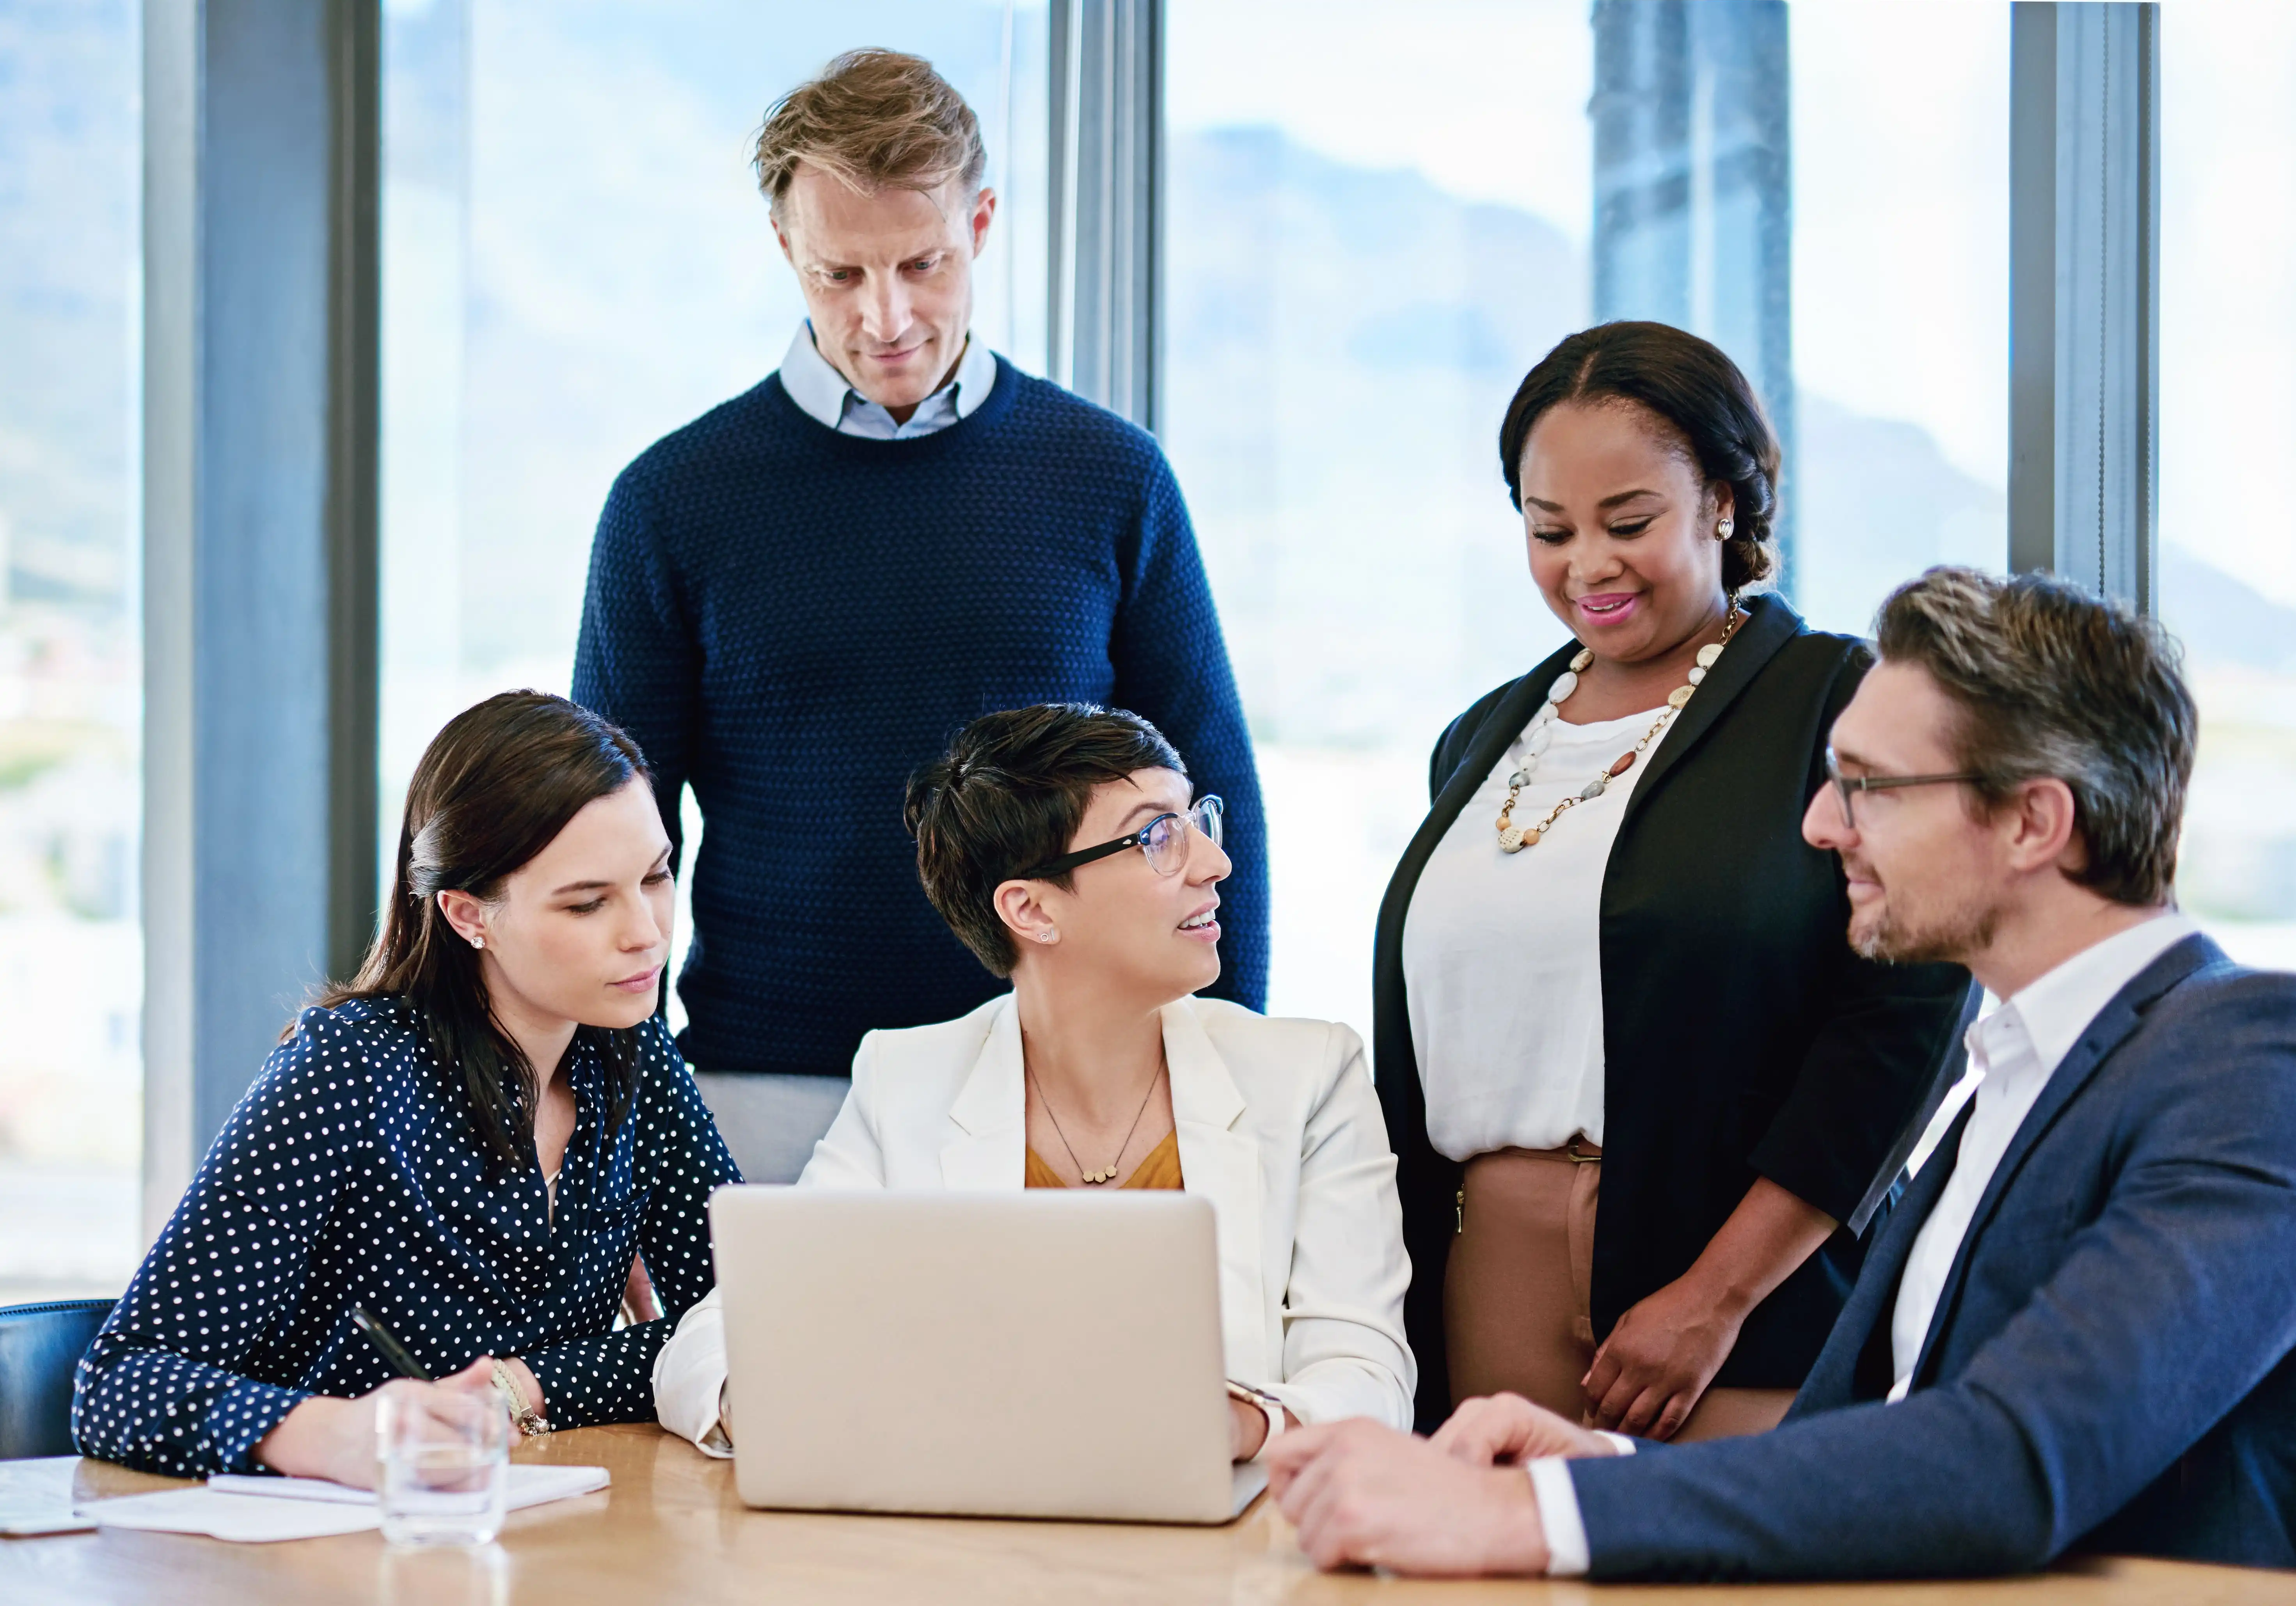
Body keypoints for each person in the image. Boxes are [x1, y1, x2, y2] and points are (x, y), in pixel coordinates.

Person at [1266, 566, 2296, 1579]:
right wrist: (1614, 1462)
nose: (1819, 824)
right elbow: (1875, 1451)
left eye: (1868, 786)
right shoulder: (2009, 1084)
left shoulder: (2246, 1062)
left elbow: (2017, 1458)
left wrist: (1534, 1510)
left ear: (2031, 821)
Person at [573, 49, 1266, 1186]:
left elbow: (1213, 792)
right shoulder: (672, 502)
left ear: (981, 222)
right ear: (783, 248)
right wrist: (611, 1111)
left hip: (1064, 1072)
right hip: (764, 1087)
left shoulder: (1110, 476)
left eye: (922, 263)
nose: (884, 315)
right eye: (838, 273)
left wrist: (1222, 1067)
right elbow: (605, 840)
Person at [1375, 321, 1972, 1442]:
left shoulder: (1838, 704)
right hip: (1479, 1259)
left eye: (1628, 522)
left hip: (1729, 1284)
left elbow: (1903, 1024)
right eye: (1547, 529)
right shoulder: (1478, 739)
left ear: (1724, 501)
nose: (1585, 565)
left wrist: (1716, 1296)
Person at [652, 704, 1410, 1458]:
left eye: (1197, 820)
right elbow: (713, 1342)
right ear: (1031, 908)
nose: (1215, 863)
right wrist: (808, 1406)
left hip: (1235, 1545)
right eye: (1158, 836)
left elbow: (1367, 1371)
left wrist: (1241, 1423)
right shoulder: (905, 1080)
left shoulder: (1308, 1074)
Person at [73, 692, 741, 1482]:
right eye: (588, 901)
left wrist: (524, 1385)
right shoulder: (347, 1069)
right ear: (467, 914)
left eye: (657, 875)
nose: (647, 930)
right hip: (325, 1545)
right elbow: (119, 1381)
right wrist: (331, 1431)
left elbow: (747, 1324)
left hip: (536, 1524)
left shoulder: (635, 1054)